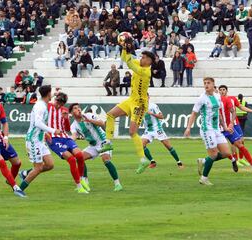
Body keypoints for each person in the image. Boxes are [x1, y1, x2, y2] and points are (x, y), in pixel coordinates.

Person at [100, 40, 155, 174]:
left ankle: (143, 160)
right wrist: (124, 48)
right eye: (141, 56)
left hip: (140, 104)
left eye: (143, 57)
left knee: (132, 132)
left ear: (149, 61)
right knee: (110, 114)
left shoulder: (146, 71)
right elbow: (125, 59)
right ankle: (108, 141)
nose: (141, 58)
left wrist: (129, 50)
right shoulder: (139, 64)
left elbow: (130, 64)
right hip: (131, 99)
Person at [184, 77, 233, 185]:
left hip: (216, 129)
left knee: (226, 153)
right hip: (207, 129)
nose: (206, 85)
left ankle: (204, 161)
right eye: (205, 83)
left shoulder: (217, 96)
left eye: (208, 83)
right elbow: (194, 113)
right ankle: (204, 178)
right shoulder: (202, 98)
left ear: (213, 84)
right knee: (214, 154)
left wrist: (224, 127)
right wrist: (188, 128)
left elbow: (219, 113)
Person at [69, 103, 123, 192]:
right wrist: (69, 142)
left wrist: (89, 120)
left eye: (79, 107)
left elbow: (102, 123)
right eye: (75, 108)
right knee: (79, 157)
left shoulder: (89, 115)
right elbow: (74, 136)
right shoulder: (73, 126)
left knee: (106, 159)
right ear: (71, 113)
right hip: (93, 146)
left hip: (103, 141)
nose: (78, 109)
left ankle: (117, 184)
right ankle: (85, 182)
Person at [44, 92, 89, 193]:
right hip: (53, 139)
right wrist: (44, 133)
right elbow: (40, 121)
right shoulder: (47, 106)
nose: (60, 105)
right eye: (59, 102)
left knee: (80, 155)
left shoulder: (64, 110)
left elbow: (68, 128)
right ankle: (78, 186)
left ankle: (81, 179)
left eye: (62, 103)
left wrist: (65, 119)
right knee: (72, 160)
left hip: (65, 137)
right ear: (55, 99)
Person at [18, 85, 56, 193]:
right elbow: (38, 123)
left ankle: (25, 173)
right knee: (38, 168)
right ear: (48, 94)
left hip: (39, 140)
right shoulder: (40, 106)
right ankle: (19, 189)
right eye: (51, 93)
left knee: (49, 164)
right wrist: (52, 131)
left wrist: (45, 133)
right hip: (33, 140)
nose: (51, 94)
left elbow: (40, 123)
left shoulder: (43, 104)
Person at [218, 85, 252, 173]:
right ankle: (234, 159)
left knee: (240, 144)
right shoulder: (216, 101)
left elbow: (239, 108)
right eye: (220, 90)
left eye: (224, 90)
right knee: (224, 150)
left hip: (232, 126)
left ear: (227, 91)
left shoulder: (232, 99)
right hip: (219, 129)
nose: (222, 91)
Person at [142, 98, 183, 169]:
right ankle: (152, 162)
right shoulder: (140, 107)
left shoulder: (153, 106)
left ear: (148, 98)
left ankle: (179, 163)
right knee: (141, 144)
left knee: (168, 146)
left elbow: (161, 116)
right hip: (148, 130)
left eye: (145, 96)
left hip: (157, 129)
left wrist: (151, 113)